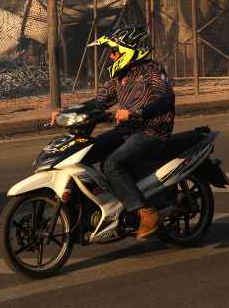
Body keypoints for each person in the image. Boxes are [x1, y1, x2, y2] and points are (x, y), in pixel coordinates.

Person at [51, 25, 175, 239]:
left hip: (151, 133)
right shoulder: (119, 76)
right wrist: (65, 113)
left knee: (112, 164)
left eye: (114, 51)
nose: (111, 55)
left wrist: (136, 112)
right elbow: (98, 103)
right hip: (126, 131)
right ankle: (95, 211)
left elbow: (166, 99)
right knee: (84, 154)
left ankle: (145, 212)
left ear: (131, 50)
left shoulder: (152, 71)